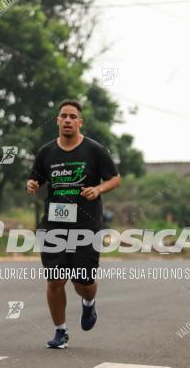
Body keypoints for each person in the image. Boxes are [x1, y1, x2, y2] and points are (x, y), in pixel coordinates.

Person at [26, 99, 121, 349]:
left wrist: (98, 189)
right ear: (57, 121)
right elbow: (35, 179)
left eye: (72, 116)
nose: (67, 120)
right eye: (63, 116)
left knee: (83, 282)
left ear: (79, 122)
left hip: (86, 225)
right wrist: (32, 185)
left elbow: (115, 178)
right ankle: (60, 331)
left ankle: (89, 304)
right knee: (55, 279)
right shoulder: (46, 152)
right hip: (54, 224)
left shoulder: (94, 150)